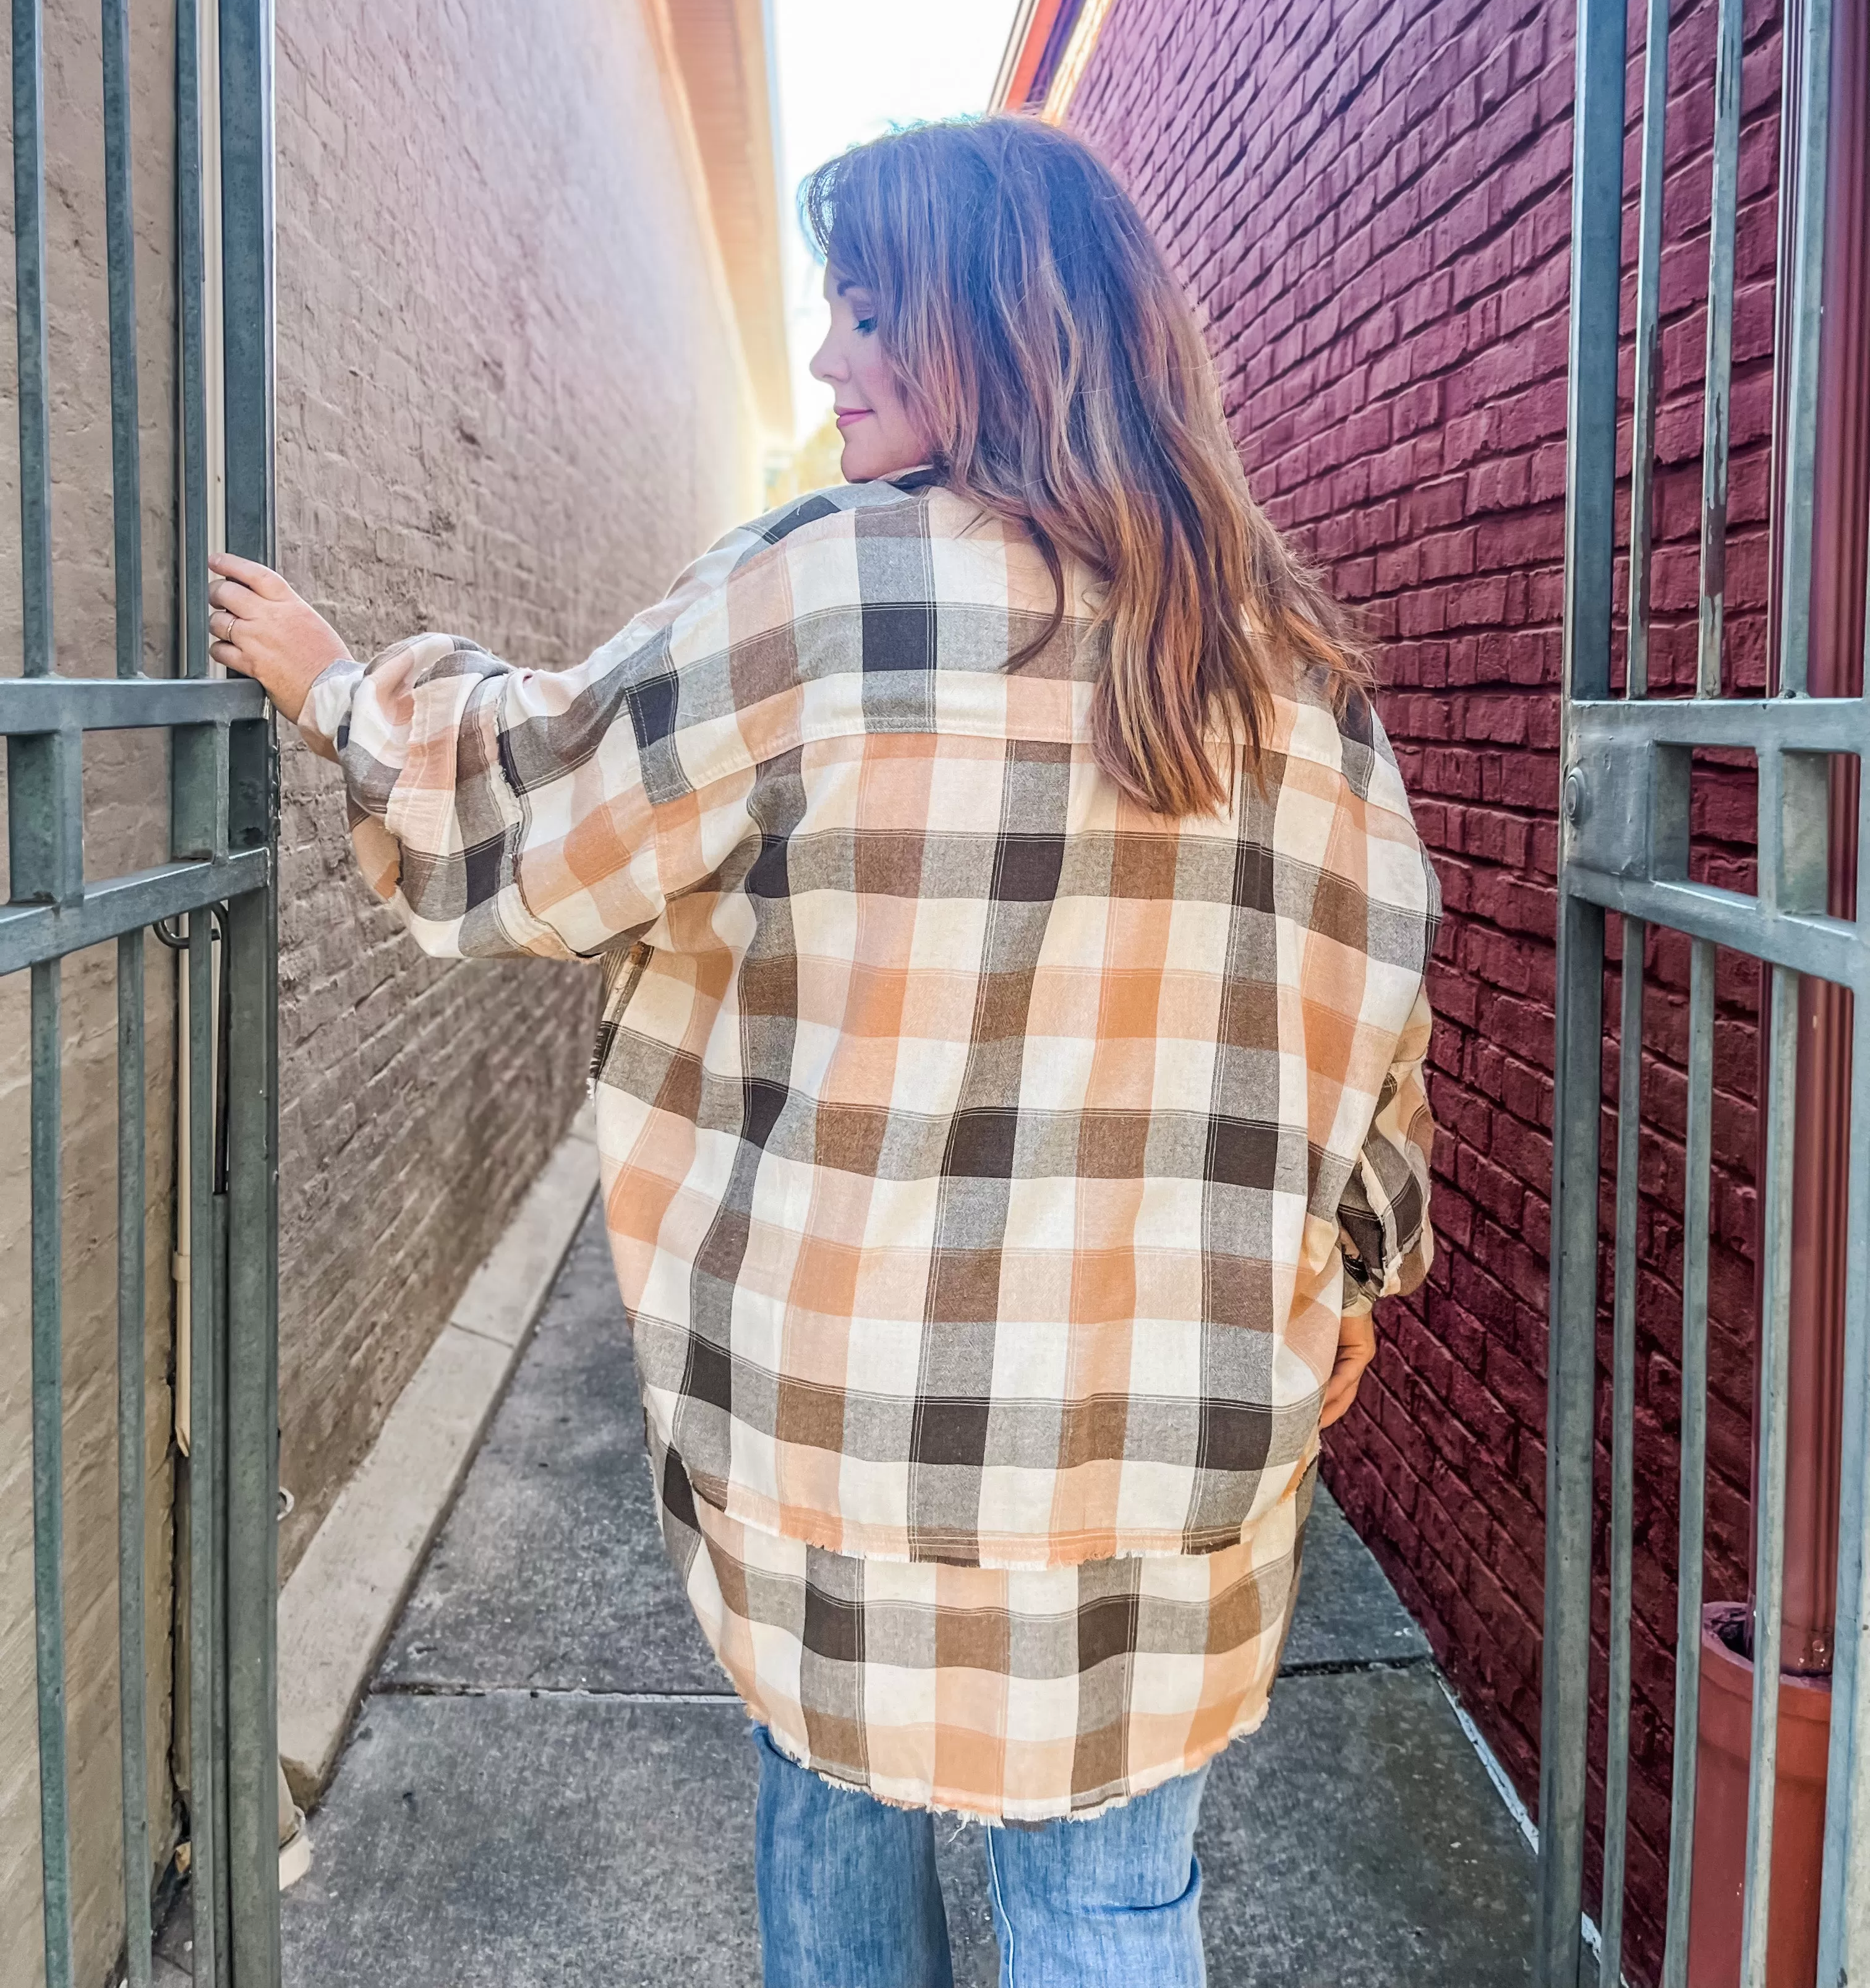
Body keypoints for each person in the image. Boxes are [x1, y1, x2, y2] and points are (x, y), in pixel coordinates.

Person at [209, 114, 1437, 1988]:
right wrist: (1353, 1266)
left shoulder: (835, 587)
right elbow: (1380, 1048)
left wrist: (340, 686)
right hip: (1161, 1473)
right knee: (1110, 1905)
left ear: (997, 325)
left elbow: (533, 823)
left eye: (870, 310)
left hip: (853, 1453)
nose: (826, 358)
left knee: (839, 1823)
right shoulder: (1283, 666)